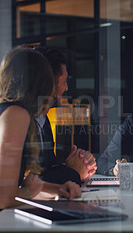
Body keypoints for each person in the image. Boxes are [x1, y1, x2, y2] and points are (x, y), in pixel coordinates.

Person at [0, 48, 81, 217]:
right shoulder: (16, 114)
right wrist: (30, 192)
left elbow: (6, 183)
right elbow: (3, 198)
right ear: (43, 81)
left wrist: (57, 189)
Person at [32, 46, 97, 184]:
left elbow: (50, 169)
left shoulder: (42, 118)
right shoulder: (20, 119)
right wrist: (74, 173)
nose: (66, 88)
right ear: (49, 82)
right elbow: (35, 178)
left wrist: (78, 166)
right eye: (64, 81)